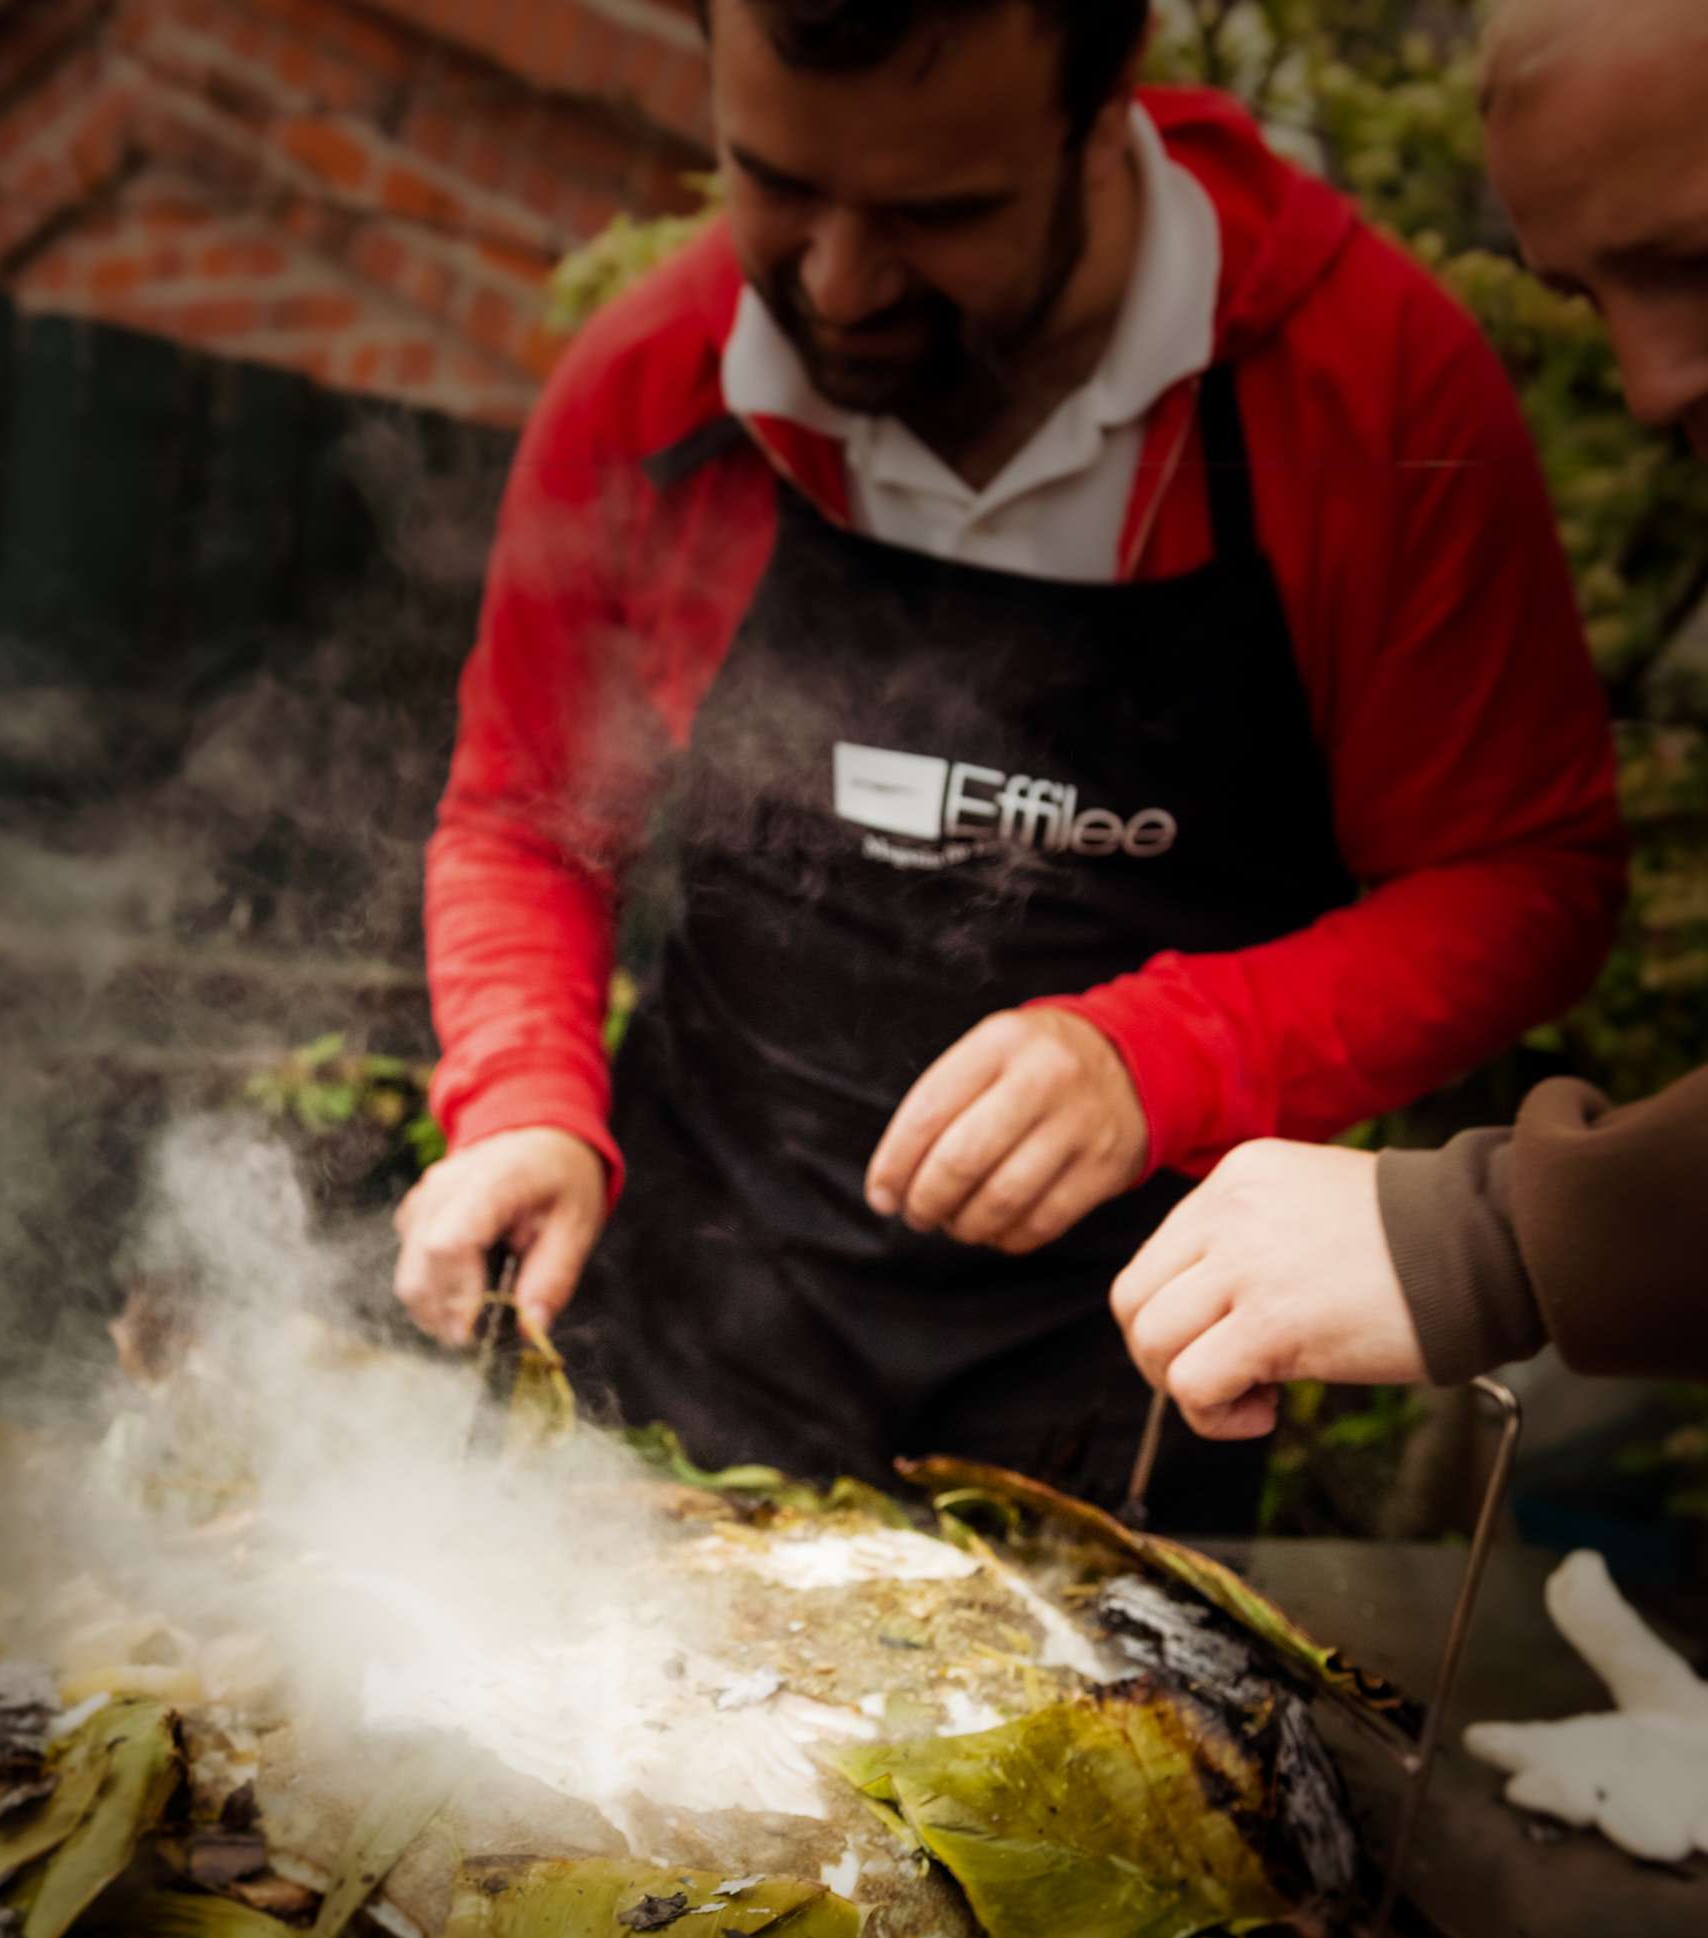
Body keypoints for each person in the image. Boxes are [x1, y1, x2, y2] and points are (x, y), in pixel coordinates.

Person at [394, 0, 1625, 1525]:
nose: (836, 284)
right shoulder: (654, 381)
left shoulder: (1374, 393)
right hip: (687, 1352)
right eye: (774, 182)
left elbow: (1529, 883)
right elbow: (526, 820)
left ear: (1109, 101)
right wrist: (521, 1096)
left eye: (938, 211)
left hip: (1121, 1411)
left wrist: (1163, 1055)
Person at [1112, 0, 1708, 1443]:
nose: (1650, 382)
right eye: (1585, 299)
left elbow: (1531, 874)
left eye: (1697, 262)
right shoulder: (685, 355)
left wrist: (1495, 1230)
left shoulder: (1369, 374)